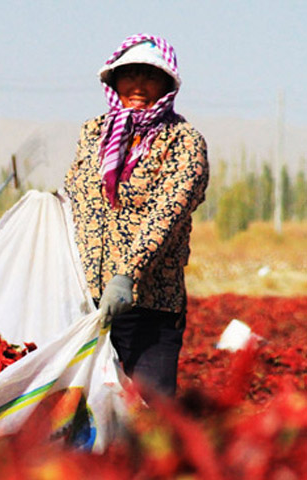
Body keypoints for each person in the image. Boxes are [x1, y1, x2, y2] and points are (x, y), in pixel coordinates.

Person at [63, 34, 209, 398]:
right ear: (113, 82)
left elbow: (169, 212)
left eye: (150, 76)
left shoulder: (183, 141)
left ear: (167, 85)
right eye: (129, 75)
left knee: (150, 418)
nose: (139, 86)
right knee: (87, 423)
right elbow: (75, 197)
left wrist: (127, 274)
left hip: (150, 304)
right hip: (89, 305)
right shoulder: (93, 133)